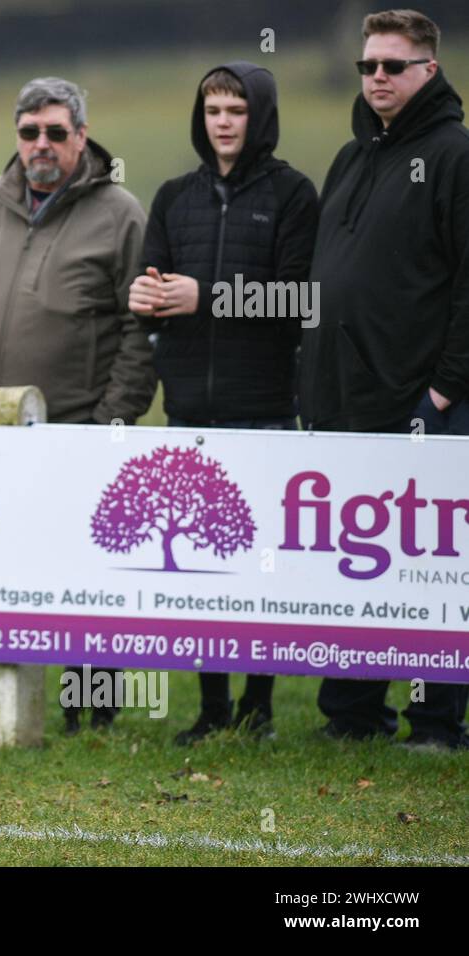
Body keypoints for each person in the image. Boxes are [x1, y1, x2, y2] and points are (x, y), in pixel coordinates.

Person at [0, 76, 152, 737]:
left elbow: (141, 328)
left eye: (57, 132)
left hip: (76, 429)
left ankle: (92, 711)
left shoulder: (121, 213)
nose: (42, 145)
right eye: (30, 133)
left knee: (82, 573)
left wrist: (113, 417)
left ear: (82, 136)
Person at [128, 62, 319, 745]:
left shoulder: (295, 195)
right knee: (204, 567)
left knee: (257, 565)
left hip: (265, 404)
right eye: (213, 110)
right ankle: (211, 707)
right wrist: (147, 300)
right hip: (190, 410)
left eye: (236, 109)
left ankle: (259, 707)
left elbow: (300, 299)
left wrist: (204, 297)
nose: (224, 122)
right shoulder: (175, 196)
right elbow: (151, 284)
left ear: (258, 117)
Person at [300, 8, 469, 750]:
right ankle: (355, 714)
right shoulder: (350, 157)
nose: (377, 78)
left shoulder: (457, 155)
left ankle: (435, 723)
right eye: (369, 65)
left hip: (420, 407)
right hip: (344, 403)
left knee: (429, 576)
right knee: (352, 572)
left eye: (393, 66)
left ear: (428, 70)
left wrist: (442, 391)